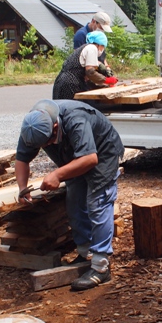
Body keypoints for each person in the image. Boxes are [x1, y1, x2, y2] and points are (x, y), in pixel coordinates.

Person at [15, 99, 124, 291]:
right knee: (74, 202)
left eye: (48, 142)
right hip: (74, 157)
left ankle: (100, 267)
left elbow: (90, 158)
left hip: (102, 154)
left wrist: (57, 174)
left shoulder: (76, 119)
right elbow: (22, 159)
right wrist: (22, 188)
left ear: (55, 126)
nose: (46, 146)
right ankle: (85, 254)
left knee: (98, 202)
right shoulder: (33, 125)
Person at [52, 31, 118, 100]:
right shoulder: (92, 48)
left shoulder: (86, 48)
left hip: (62, 82)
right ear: (99, 44)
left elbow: (88, 79)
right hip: (69, 84)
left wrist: (103, 85)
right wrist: (107, 80)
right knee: (71, 107)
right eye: (103, 46)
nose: (103, 49)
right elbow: (90, 73)